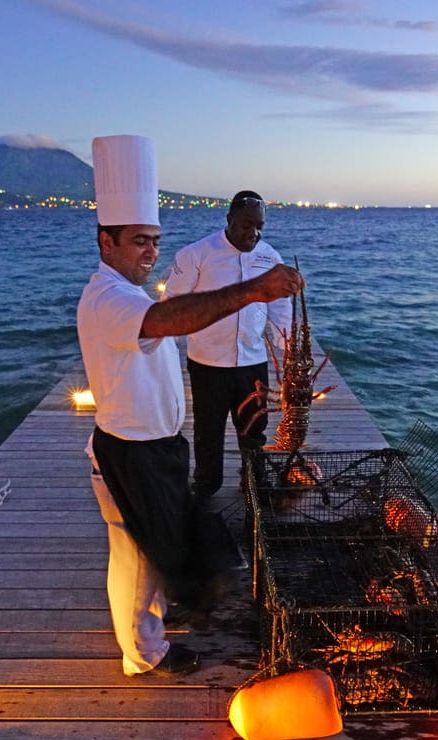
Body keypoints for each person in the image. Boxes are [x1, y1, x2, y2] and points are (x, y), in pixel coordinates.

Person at [77, 136, 303, 677]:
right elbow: (172, 319)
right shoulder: (108, 298)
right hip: (129, 449)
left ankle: (162, 615)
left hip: (155, 445)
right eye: (138, 242)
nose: (150, 253)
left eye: (154, 241)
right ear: (105, 242)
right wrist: (252, 291)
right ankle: (143, 653)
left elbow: (169, 314)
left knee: (159, 546)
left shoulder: (129, 293)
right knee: (133, 558)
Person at [163, 191, 291, 500]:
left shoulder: (270, 258)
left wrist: (287, 350)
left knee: (255, 426)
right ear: (229, 220)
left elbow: (280, 310)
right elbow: (173, 304)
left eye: (260, 226)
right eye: (247, 224)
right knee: (208, 429)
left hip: (253, 360)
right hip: (208, 361)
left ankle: (254, 482)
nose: (254, 233)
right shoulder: (197, 254)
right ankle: (207, 484)